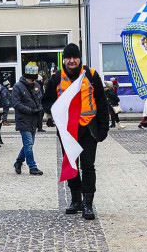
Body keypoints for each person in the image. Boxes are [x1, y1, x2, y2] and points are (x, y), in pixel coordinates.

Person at [43, 43, 109, 219]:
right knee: (72, 166)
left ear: (80, 58)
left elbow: (102, 104)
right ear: (63, 59)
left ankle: (88, 204)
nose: (71, 61)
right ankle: (75, 200)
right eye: (68, 58)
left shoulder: (92, 75)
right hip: (67, 131)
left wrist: (104, 128)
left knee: (88, 166)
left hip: (89, 129)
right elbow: (46, 101)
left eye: (75, 57)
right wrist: (54, 110)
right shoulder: (56, 78)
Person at [12, 64, 45, 176]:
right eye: (31, 79)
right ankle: (32, 167)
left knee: (29, 144)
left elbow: (40, 98)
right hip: (23, 120)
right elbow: (16, 103)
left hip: (34, 120)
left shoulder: (36, 85)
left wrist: (40, 108)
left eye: (34, 79)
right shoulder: (17, 86)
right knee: (29, 143)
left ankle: (18, 162)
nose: (32, 81)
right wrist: (30, 110)